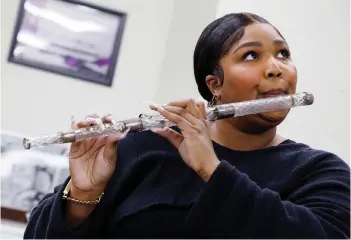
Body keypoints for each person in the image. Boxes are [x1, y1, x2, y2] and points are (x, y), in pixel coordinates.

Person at [24, 13, 350, 238]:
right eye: (251, 56)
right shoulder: (140, 149)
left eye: (284, 53)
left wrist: (213, 170)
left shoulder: (321, 173)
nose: (276, 68)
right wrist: (82, 195)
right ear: (214, 84)